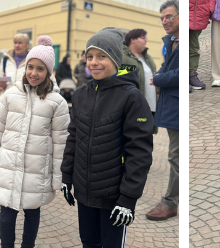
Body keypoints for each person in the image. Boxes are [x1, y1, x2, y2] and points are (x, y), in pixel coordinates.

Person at [61, 29, 154, 246]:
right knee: (89, 243)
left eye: (102, 56)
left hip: (114, 197)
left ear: (115, 59)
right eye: (90, 56)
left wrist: (128, 199)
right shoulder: (81, 93)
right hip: (84, 193)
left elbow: (139, 152)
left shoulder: (131, 97)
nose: (94, 62)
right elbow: (73, 137)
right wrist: (66, 175)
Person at [0, 40, 69, 248]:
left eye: (40, 68)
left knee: (32, 213)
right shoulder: (10, 95)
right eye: (30, 67)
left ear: (48, 72)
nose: (34, 73)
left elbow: (60, 145)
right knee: (6, 216)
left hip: (37, 170)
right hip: (9, 166)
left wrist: (58, 178)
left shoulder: (57, 102)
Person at [145, 1, 180, 222]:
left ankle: (171, 202)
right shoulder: (172, 41)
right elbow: (167, 68)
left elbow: (179, 73)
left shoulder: (183, 40)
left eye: (168, 16)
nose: (164, 21)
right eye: (162, 18)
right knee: (175, 154)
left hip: (177, 105)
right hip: (170, 104)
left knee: (176, 156)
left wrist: (157, 79)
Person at [120, 29, 156, 123]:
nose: (146, 40)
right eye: (143, 38)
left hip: (151, 106)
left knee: (147, 135)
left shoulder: (148, 58)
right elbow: (118, 81)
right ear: (133, 39)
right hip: (133, 107)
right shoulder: (123, 58)